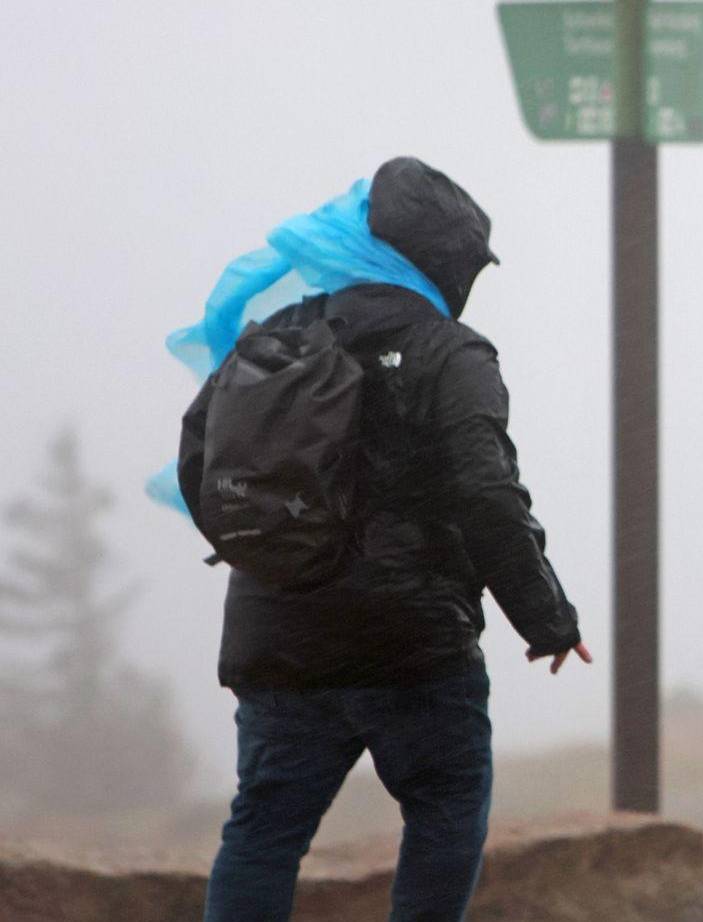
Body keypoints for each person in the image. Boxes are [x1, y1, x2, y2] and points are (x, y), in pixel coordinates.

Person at [181, 157, 592, 922]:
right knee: (445, 809)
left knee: (264, 831)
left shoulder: (277, 335)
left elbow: (199, 464)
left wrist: (275, 562)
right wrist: (547, 619)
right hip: (412, 645)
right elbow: (487, 493)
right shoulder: (449, 351)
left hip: (281, 643)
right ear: (442, 261)